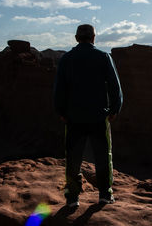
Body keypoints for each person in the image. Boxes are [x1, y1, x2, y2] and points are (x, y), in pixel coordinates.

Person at [53, 24, 123, 208]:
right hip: (99, 117)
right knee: (103, 156)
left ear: (76, 38)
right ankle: (105, 195)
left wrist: (60, 111)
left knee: (73, 158)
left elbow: (59, 89)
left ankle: (72, 198)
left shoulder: (66, 59)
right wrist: (115, 110)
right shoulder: (103, 57)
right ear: (94, 37)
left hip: (73, 117)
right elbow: (115, 87)